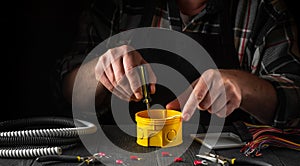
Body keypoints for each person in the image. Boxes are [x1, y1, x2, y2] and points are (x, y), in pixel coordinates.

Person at [57, 0, 300, 128]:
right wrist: (100, 69)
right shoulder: (120, 5)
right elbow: (68, 90)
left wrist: (243, 87)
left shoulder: (262, 9)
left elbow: (295, 98)